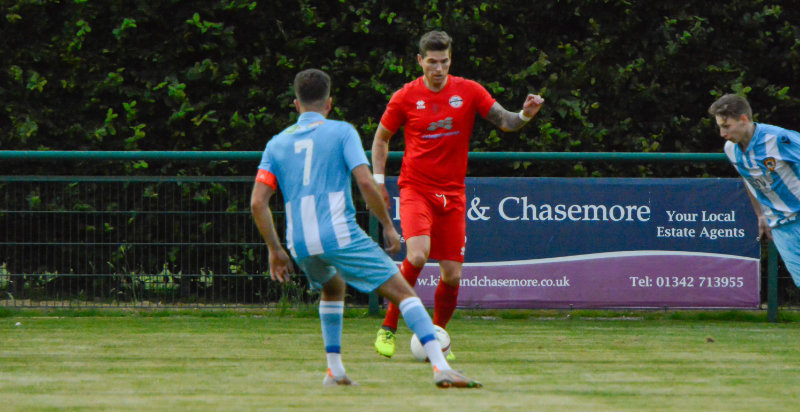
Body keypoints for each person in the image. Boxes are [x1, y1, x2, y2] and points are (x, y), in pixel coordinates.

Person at [250, 68, 481, 388]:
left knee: (333, 287)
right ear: (329, 103)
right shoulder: (342, 132)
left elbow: (257, 202)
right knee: (403, 292)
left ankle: (335, 372)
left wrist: (275, 250)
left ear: (296, 105)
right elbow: (365, 182)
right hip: (339, 234)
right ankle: (441, 367)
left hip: (299, 242)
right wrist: (387, 225)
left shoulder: (276, 144)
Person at [371, 30, 545, 358]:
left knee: (452, 275)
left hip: (452, 194)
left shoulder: (468, 91)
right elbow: (381, 138)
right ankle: (388, 326)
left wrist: (524, 115)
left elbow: (505, 122)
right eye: (432, 62)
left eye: (444, 61)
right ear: (420, 61)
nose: (438, 69)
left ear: (451, 60)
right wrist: (378, 180)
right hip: (416, 188)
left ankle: (438, 338)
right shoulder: (405, 96)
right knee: (418, 255)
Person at [708, 94, 800, 288]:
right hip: (781, 226)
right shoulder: (731, 149)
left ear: (743, 119)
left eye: (726, 126)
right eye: (720, 127)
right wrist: (760, 215)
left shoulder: (778, 139)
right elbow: (748, 179)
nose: (722, 133)